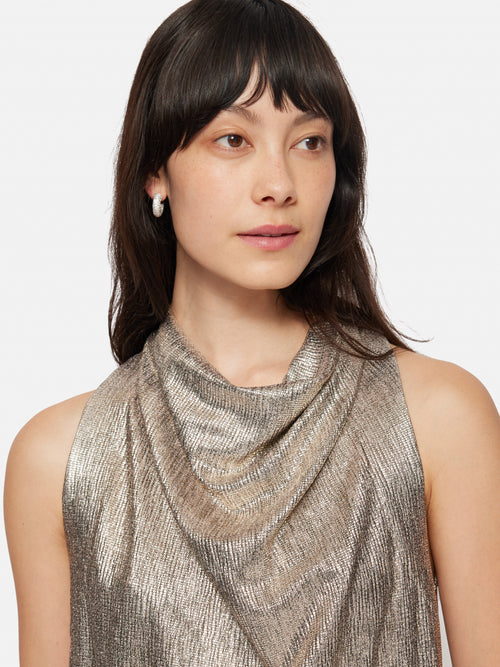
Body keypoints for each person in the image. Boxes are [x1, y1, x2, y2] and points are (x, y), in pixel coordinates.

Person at [4, 0, 499, 664]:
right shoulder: (60, 461)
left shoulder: (438, 418)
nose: (279, 184)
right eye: (233, 140)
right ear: (155, 172)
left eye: (310, 141)